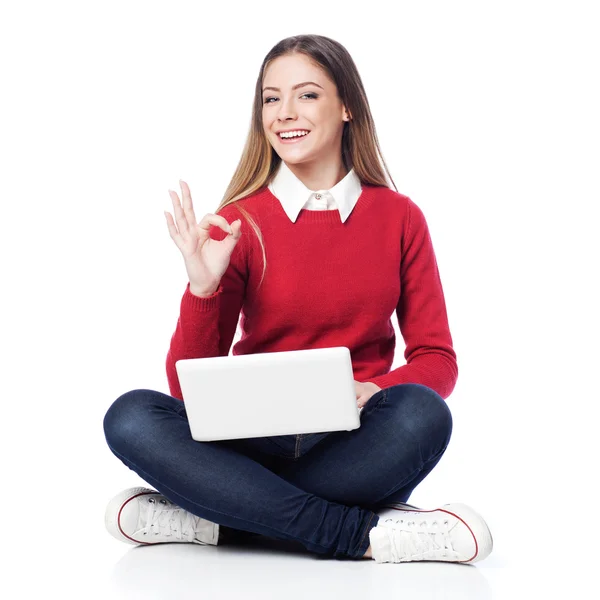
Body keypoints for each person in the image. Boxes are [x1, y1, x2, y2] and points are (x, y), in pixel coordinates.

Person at [103, 34, 493, 564]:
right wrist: (202, 288)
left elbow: (436, 360)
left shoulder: (400, 217)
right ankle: (356, 535)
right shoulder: (241, 221)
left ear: (347, 105)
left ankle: (222, 514)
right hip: (246, 444)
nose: (284, 113)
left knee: (423, 414)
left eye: (306, 95)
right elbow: (185, 388)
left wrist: (374, 387)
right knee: (131, 416)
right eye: (270, 98)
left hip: (350, 444)